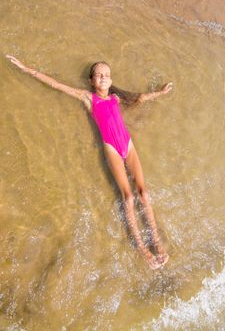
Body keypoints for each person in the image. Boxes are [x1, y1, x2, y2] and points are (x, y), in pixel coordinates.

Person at [6, 55, 173, 269]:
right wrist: (28, 69)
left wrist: (160, 92)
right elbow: (57, 85)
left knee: (144, 193)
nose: (103, 78)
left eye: (107, 75)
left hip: (128, 145)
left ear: (111, 81)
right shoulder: (87, 98)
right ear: (91, 81)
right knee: (129, 197)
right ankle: (142, 249)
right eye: (99, 75)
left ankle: (157, 244)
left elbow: (139, 98)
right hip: (111, 148)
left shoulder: (116, 98)